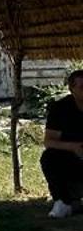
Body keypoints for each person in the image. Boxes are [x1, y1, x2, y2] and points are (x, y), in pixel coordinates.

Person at [42, 68, 83, 218]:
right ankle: (62, 202)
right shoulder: (61, 109)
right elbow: (49, 141)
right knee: (49, 157)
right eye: (82, 87)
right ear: (72, 89)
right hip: (70, 158)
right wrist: (73, 147)